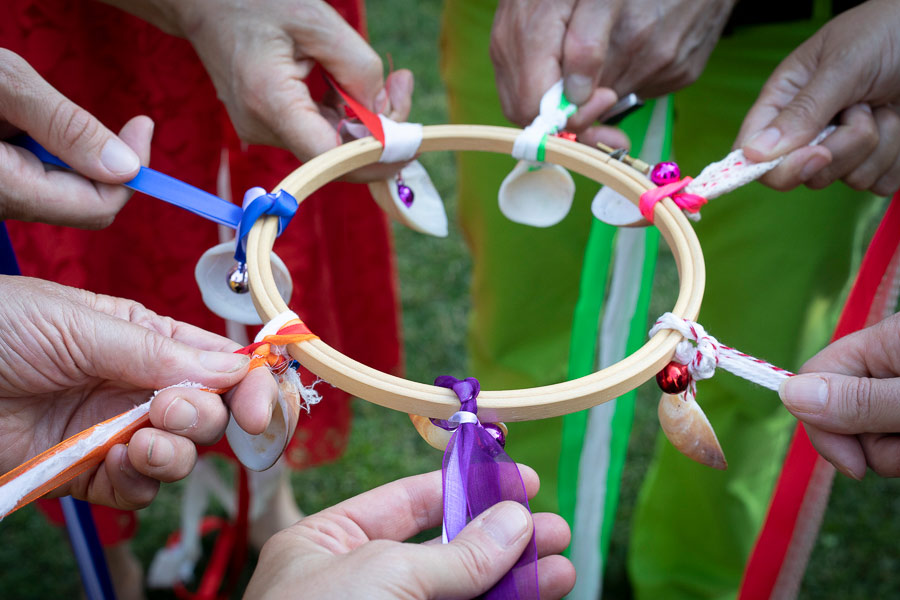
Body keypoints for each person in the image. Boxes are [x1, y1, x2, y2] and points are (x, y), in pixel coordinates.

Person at [442, 0, 891, 598]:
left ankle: (696, 582)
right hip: (541, 20)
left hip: (805, 35)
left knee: (760, 360)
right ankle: (520, 566)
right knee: (524, 337)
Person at [1, 0, 410, 596]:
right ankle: (104, 556)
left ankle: (268, 499)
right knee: (93, 279)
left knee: (282, 164)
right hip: (84, 31)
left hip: (270, 31)